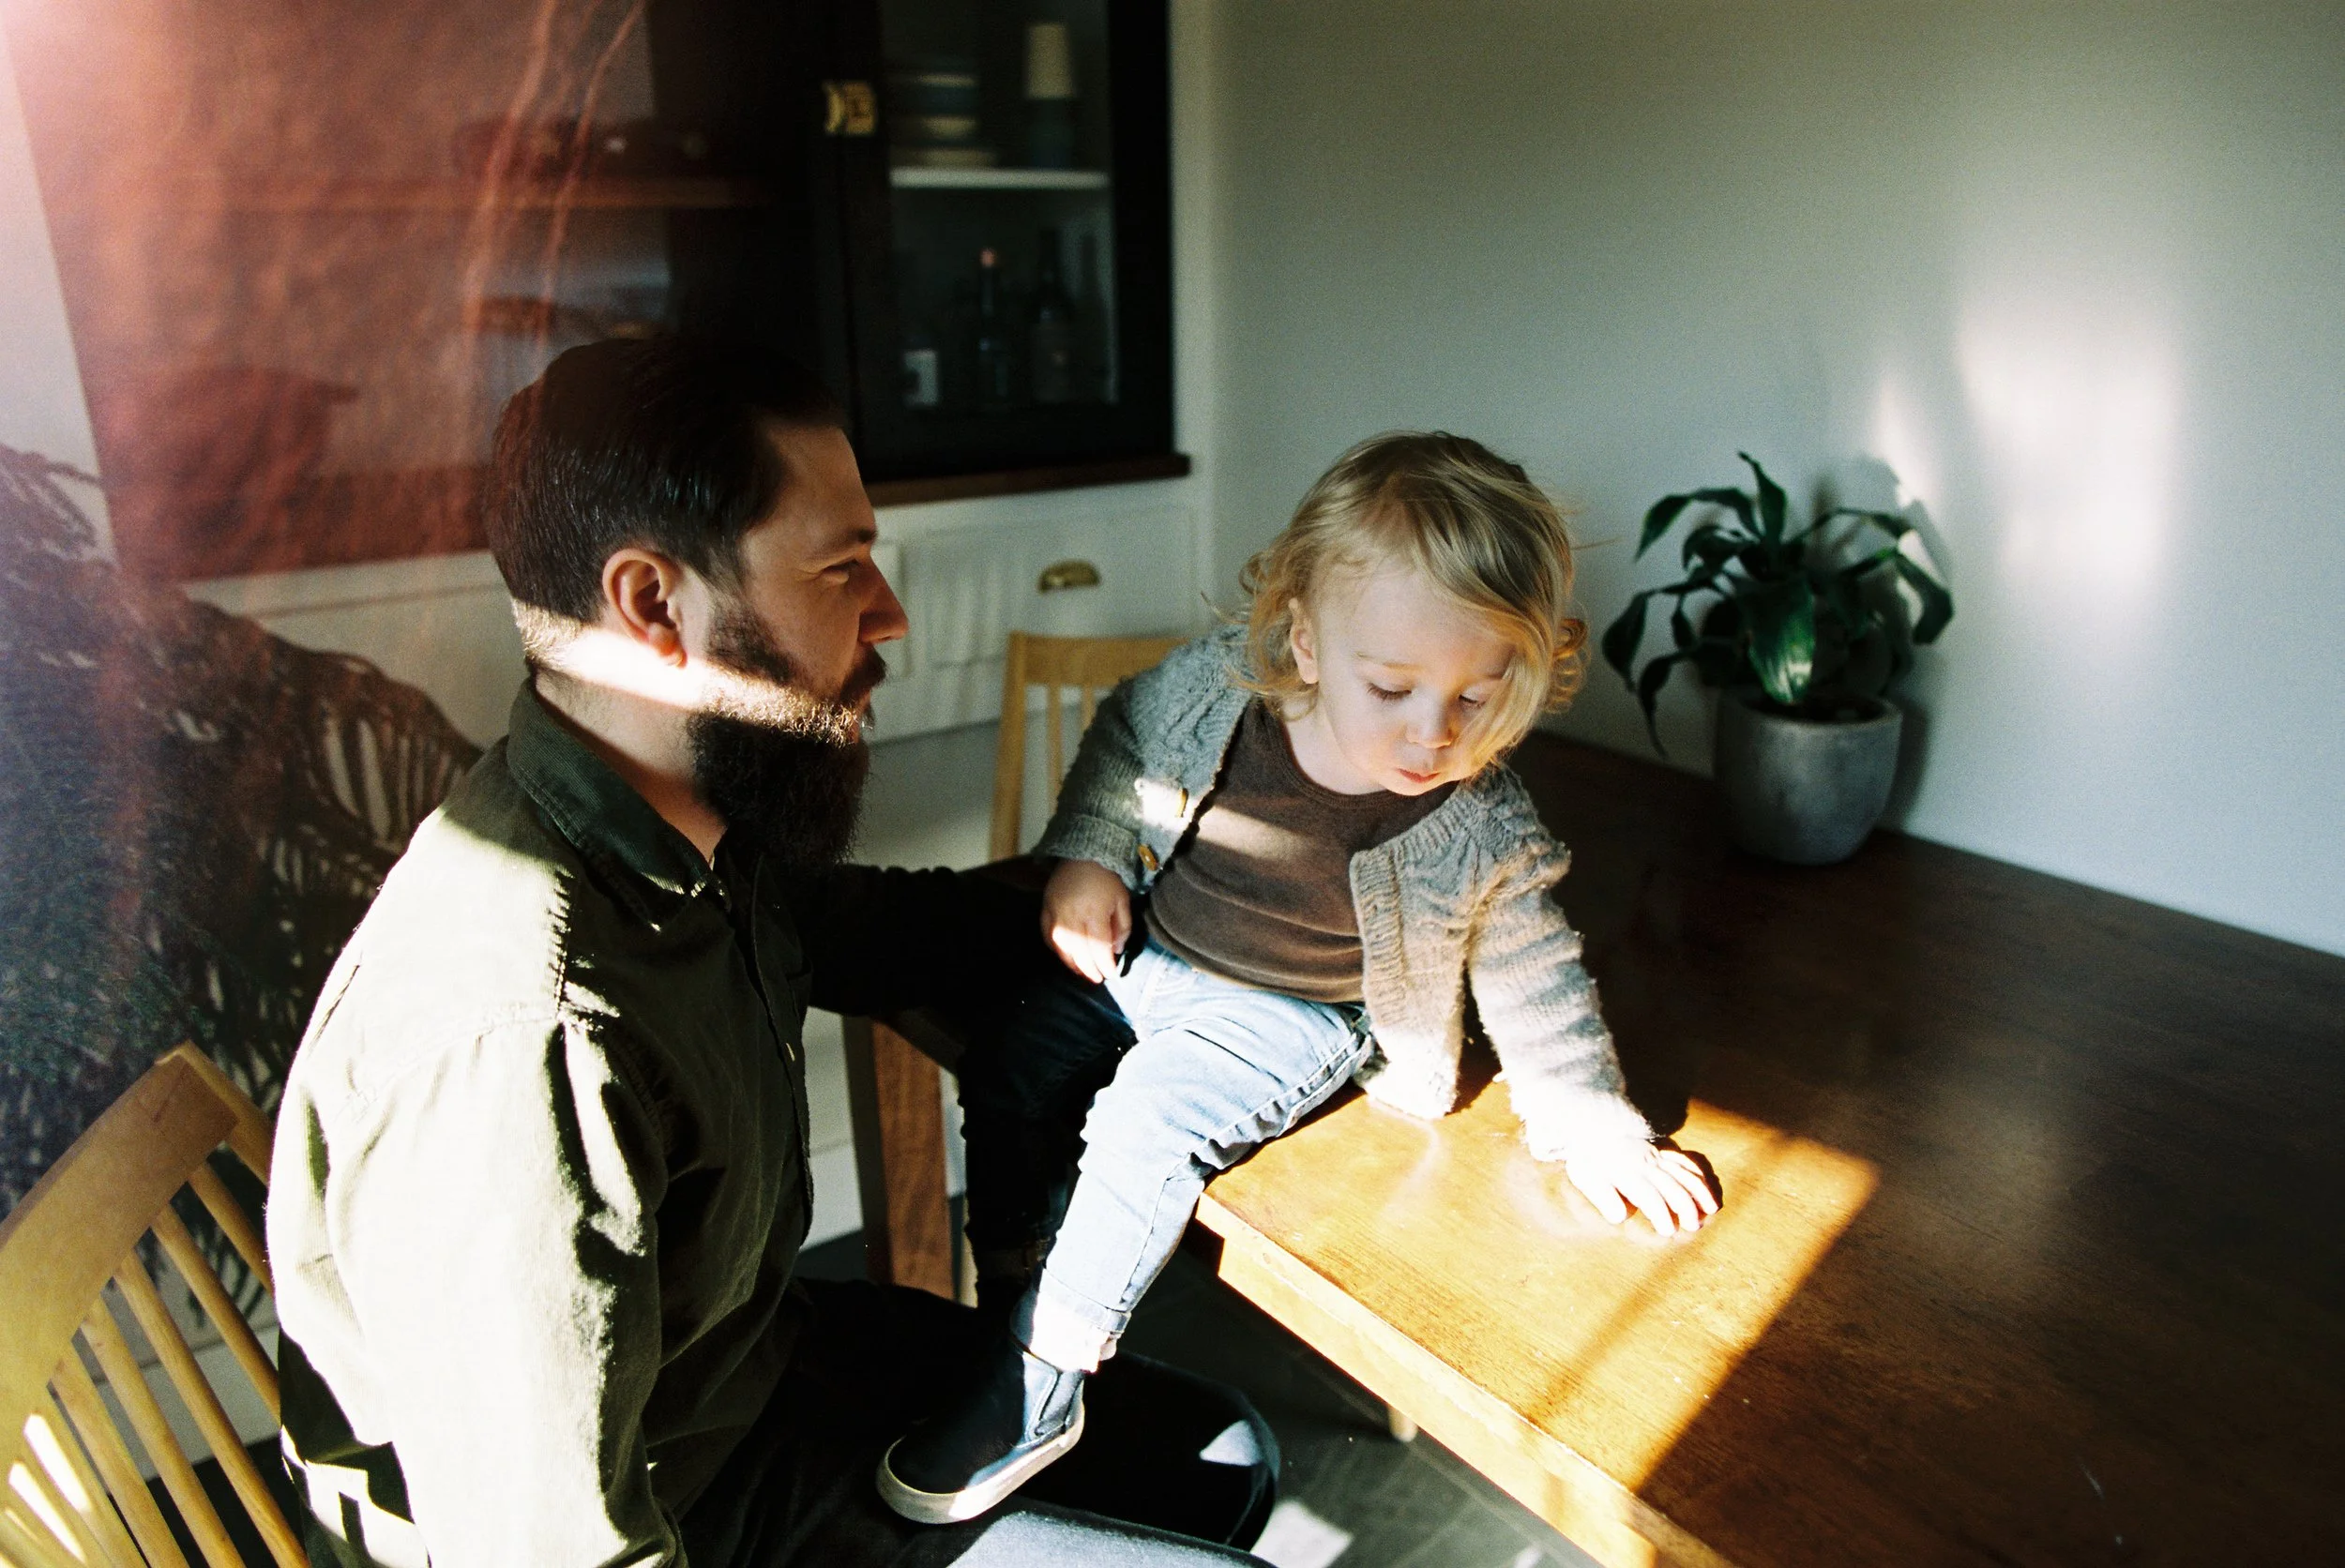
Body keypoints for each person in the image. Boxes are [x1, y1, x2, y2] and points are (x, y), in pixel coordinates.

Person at [264, 338, 1278, 1568]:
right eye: (844, 569)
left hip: (744, 1372)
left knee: (1220, 1454)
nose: (889, 614)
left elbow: (897, 932)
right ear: (652, 606)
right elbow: (549, 1552)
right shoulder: (525, 1042)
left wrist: (1209, 913)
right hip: (674, 1506)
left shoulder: (676, 823)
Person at [879, 432, 1720, 1521]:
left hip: (1290, 1017)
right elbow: (1125, 737)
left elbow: (1535, 972)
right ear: (1307, 642)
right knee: (1006, 1060)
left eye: (1478, 695)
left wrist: (1594, 1123)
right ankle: (1014, 1292)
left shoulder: (1476, 821)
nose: (1433, 735)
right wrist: (1089, 853)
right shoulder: (1218, 686)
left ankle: (1044, 1381)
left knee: (1147, 1120)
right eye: (1394, 689)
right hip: (1145, 957)